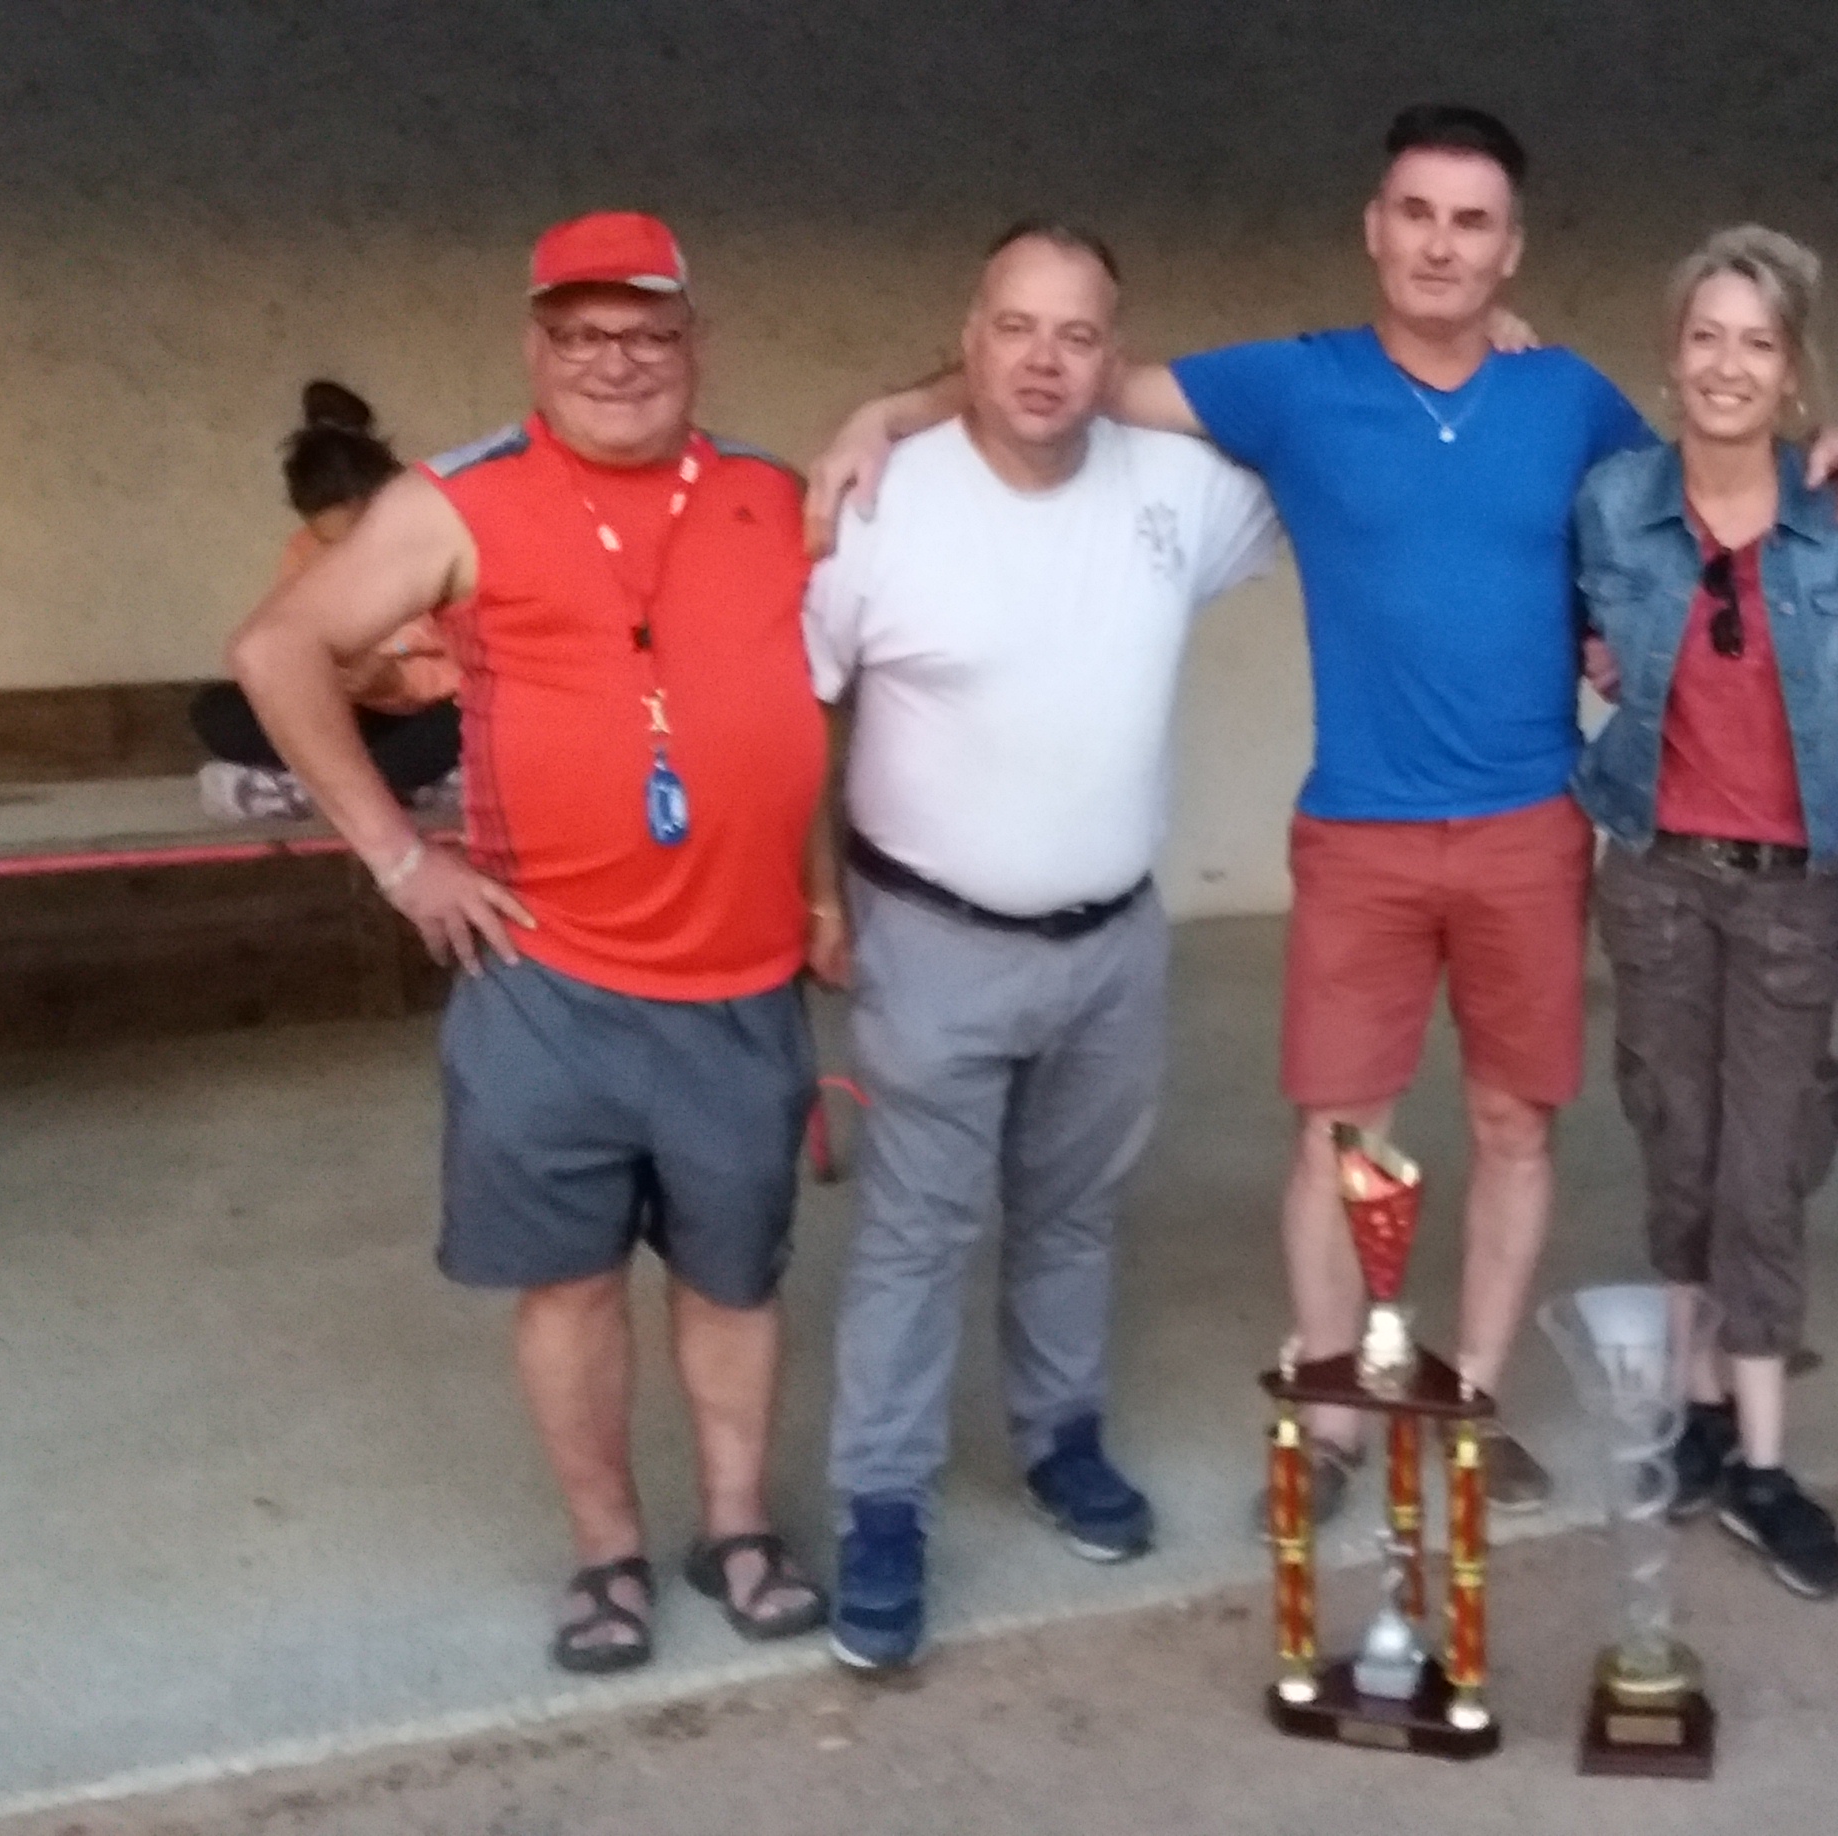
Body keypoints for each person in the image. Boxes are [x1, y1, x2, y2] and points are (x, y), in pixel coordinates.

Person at [811, 105, 1838, 1525]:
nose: (1442, 243)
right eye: (1418, 214)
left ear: (1512, 249)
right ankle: (1328, 1411)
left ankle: (1471, 1399)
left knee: (1514, 1123)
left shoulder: (1568, 403)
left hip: (1531, 825)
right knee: (1339, 1134)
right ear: (1375, 229)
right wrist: (882, 411)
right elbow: (1063, 378)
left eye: (1473, 221)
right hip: (1361, 830)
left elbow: (1709, 477)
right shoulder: (1293, 388)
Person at [226, 212, 836, 1674]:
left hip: (742, 981)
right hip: (546, 984)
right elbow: (275, 652)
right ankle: (608, 1554)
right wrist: (393, 853)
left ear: (698, 342)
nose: (616, 363)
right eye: (583, 335)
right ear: (536, 347)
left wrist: (827, 895)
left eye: (647, 333)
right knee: (567, 1286)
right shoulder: (461, 497)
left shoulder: (774, 495)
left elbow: (820, 702)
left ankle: (737, 1529)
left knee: (733, 1280)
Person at [805, 222, 1279, 1672]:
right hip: (930, 943)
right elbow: (798, 721)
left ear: (1114, 358)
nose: (1045, 360)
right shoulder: (881, 504)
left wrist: (1480, 357)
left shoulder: (1182, 492)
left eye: (1078, 336)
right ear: (969, 336)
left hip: (1112, 943)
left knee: (1074, 1215)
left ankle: (1061, 1441)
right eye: (1017, 327)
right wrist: (817, 898)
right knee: (915, 1233)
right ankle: (880, 1507)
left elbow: (1356, 450)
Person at [1570, 226, 1838, 1600]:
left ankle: (1761, 1461)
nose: (1727, 365)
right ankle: (1696, 1415)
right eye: (1706, 336)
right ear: (1671, 352)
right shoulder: (1614, 503)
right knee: (1680, 1147)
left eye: (1759, 341)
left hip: (1791, 893)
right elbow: (1567, 625)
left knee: (1764, 1172)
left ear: (1795, 370)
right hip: (1653, 873)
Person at [193, 381, 462, 819]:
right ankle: (374, 784)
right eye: (328, 541)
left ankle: (314, 788)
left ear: (391, 497)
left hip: (426, 713)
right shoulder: (302, 552)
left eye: (362, 534)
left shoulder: (436, 539)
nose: (347, 552)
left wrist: (398, 678)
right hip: (351, 720)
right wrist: (321, 675)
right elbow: (286, 638)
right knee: (216, 711)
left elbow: (475, 655)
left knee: (471, 724)